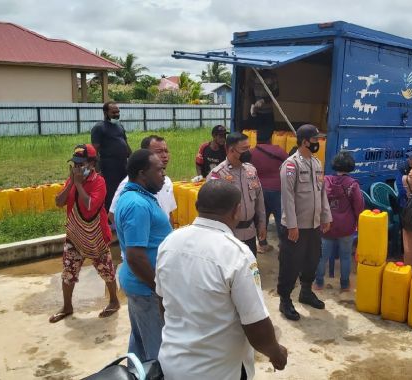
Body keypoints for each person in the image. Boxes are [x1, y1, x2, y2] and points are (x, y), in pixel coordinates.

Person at [156, 180, 287, 380]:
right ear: (237, 211)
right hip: (219, 370)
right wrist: (276, 353)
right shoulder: (236, 254)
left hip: (172, 364)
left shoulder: (169, 242)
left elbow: (162, 303)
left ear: (197, 206)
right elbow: (256, 325)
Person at [49, 144, 119, 323]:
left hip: (96, 236)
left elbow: (89, 207)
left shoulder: (99, 183)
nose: (78, 168)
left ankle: (114, 301)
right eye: (75, 164)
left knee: (106, 270)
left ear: (92, 164)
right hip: (75, 235)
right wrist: (71, 183)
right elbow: (59, 202)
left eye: (81, 164)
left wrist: (78, 184)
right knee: (68, 271)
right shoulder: (71, 181)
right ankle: (67, 306)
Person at [114, 149, 173, 362]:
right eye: (159, 170)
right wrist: (158, 288)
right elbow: (135, 256)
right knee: (157, 351)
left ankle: (135, 372)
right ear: (142, 173)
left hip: (142, 286)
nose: (163, 174)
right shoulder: (137, 204)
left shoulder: (139, 197)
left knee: (140, 340)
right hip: (146, 289)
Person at [278, 124, 332, 321]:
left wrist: (326, 216)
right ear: (305, 141)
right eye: (316, 140)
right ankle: (285, 300)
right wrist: (292, 225)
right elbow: (287, 197)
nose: (318, 143)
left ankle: (306, 292)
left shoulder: (317, 163)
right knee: (290, 264)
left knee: (312, 260)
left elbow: (322, 192)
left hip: (314, 225)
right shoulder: (291, 165)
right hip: (296, 227)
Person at [206, 132, 266, 256]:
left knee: (250, 270)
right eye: (244, 149)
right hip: (229, 236)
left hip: (250, 233)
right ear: (231, 150)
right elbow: (211, 210)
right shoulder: (218, 175)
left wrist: (262, 224)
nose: (248, 152)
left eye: (249, 148)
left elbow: (259, 200)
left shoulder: (251, 170)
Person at [314, 152, 364, 291]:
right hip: (346, 227)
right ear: (350, 166)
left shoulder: (325, 180)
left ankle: (318, 283)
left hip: (326, 225)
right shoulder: (352, 185)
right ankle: (345, 284)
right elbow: (359, 206)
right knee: (346, 256)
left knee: (322, 256)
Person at [108, 135, 176, 227]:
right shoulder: (131, 183)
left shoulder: (167, 181)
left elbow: (168, 214)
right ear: (145, 153)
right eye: (159, 152)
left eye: (166, 151)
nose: (164, 156)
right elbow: (113, 216)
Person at [250, 127, 288, 253]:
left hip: (259, 190)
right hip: (278, 189)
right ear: (270, 138)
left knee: (261, 217)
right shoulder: (278, 150)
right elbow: (289, 165)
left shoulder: (251, 152)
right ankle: (283, 245)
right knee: (280, 218)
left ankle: (262, 244)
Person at [90, 101, 132, 212]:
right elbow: (95, 151)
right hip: (109, 167)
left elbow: (125, 144)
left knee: (123, 190)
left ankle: (121, 213)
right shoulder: (99, 128)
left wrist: (132, 159)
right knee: (110, 193)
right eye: (114, 112)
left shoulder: (119, 126)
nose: (117, 114)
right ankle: (109, 220)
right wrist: (98, 171)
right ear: (105, 112)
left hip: (123, 165)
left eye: (118, 112)